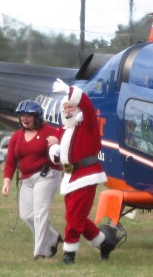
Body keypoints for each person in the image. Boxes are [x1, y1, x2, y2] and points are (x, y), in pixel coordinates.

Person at [48, 78, 116, 264]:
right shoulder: (64, 130)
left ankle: (68, 255)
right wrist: (54, 152)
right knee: (74, 216)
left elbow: (85, 103)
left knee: (74, 217)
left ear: (77, 108)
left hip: (86, 175)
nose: (68, 110)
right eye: (65, 107)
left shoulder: (88, 125)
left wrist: (70, 90)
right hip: (69, 177)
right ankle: (105, 243)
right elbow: (63, 155)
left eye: (71, 106)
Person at [1, 99, 63, 260]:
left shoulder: (49, 131)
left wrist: (58, 142)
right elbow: (10, 161)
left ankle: (40, 252)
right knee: (26, 215)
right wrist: (6, 182)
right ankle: (53, 238)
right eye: (22, 115)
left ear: (38, 117)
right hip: (26, 180)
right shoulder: (16, 137)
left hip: (47, 175)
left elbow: (66, 145)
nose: (24, 118)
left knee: (40, 213)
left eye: (29, 115)